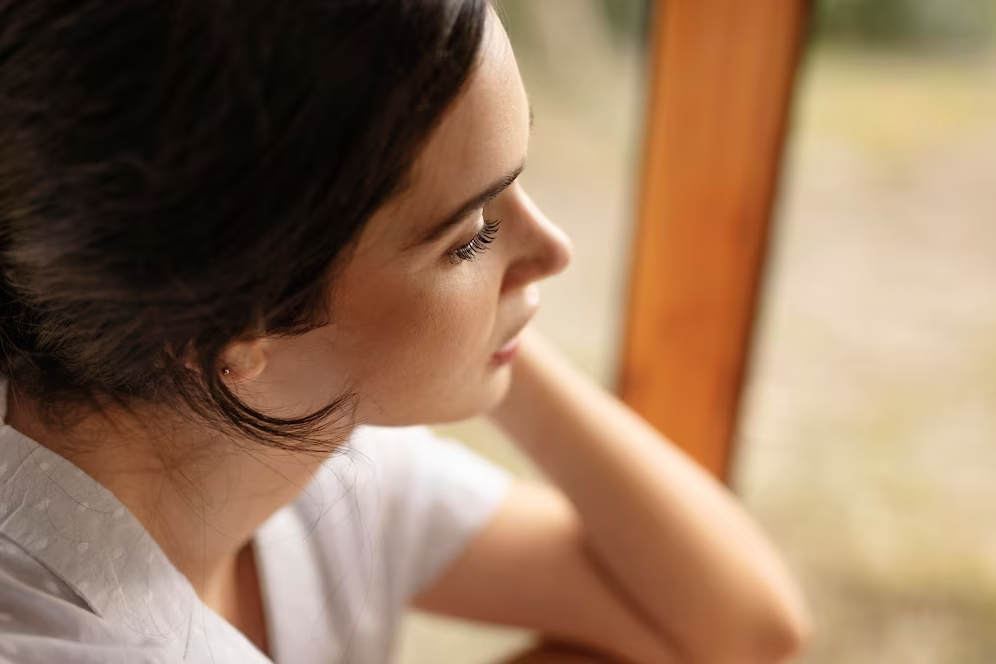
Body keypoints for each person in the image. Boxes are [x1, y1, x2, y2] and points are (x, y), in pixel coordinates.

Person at [0, 1, 811, 662]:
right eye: (473, 234)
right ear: (231, 326)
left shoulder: (296, 438)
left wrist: (483, 323)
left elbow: (742, 627)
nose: (553, 252)